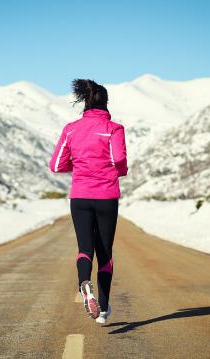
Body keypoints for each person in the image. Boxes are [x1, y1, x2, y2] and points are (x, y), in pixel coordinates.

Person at [49, 78, 128, 325]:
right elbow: (119, 160)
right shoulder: (114, 129)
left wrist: (80, 165)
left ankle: (84, 284)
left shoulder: (71, 129)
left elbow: (56, 164)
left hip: (80, 196)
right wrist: (117, 171)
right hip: (106, 197)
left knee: (85, 249)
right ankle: (103, 310)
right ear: (106, 104)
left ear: (85, 102)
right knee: (105, 253)